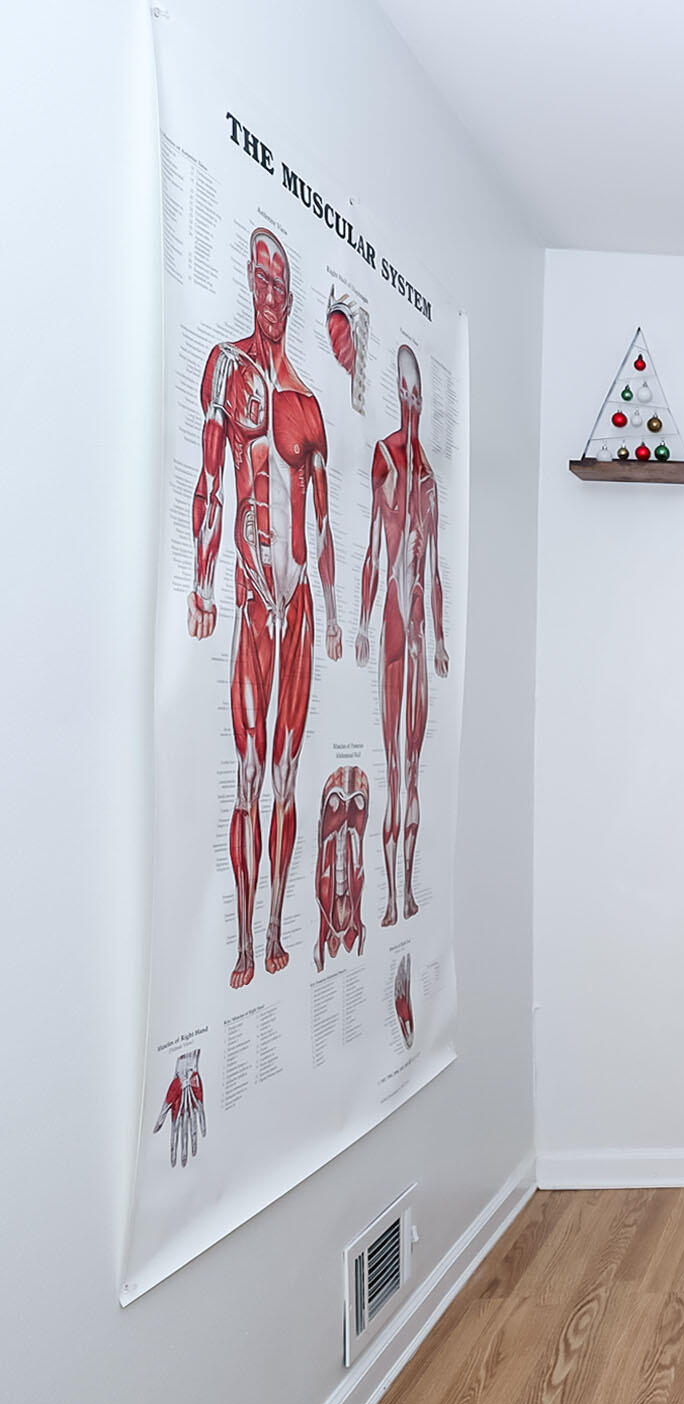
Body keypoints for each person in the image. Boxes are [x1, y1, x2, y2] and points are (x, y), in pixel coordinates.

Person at [187, 227, 341, 986]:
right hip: (252, 600)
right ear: (251, 284)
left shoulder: (308, 406)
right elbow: (210, 478)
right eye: (264, 284)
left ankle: (276, 929)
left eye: (284, 290)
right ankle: (246, 942)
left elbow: (321, 519)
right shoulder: (228, 369)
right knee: (249, 770)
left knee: (286, 772)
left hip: (299, 603)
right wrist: (200, 578)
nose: (273, 300)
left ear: (292, 299)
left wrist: (337, 613)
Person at [358, 344, 448, 923]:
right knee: (393, 768)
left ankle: (406, 891)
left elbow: (434, 562)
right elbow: (373, 544)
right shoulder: (386, 457)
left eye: (419, 392)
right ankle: (390, 896)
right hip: (393, 627)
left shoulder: (431, 476)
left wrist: (439, 636)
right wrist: (363, 622)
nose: (411, 400)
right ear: (396, 390)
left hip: (417, 634)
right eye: (405, 390)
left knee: (412, 766)